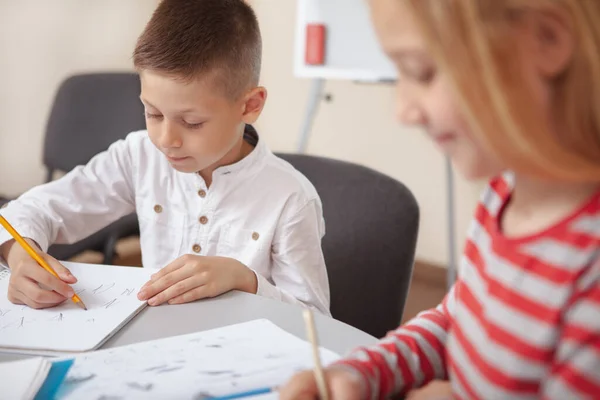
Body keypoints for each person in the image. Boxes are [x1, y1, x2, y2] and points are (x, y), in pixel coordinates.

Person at [280, 0, 600, 398]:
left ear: (547, 40)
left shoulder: (590, 267)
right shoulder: (503, 195)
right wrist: (362, 372)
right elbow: (457, 321)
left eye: (422, 73)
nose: (403, 111)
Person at [0, 0, 330, 316]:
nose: (165, 139)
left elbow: (315, 320)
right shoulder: (139, 156)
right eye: (153, 113)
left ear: (250, 106)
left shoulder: (290, 199)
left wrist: (247, 280)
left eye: (192, 122)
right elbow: (31, 210)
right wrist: (20, 257)